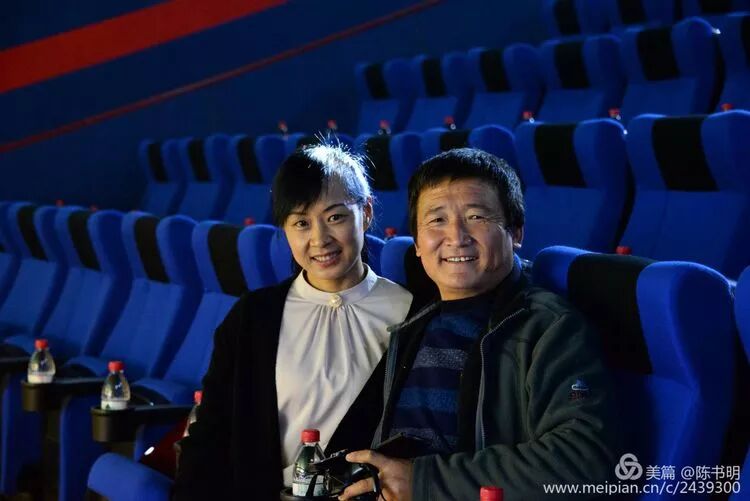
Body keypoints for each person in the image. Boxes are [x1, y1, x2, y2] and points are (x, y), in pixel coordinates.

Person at [341, 148, 620, 500]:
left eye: (476, 217)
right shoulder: (411, 323)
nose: (456, 237)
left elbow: (585, 462)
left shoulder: (549, 328)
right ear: (418, 243)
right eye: (437, 220)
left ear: (516, 232)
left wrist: (424, 482)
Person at [173, 143, 413, 500]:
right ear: (285, 229)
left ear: (365, 213)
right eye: (301, 223)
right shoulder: (253, 317)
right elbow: (210, 432)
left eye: (335, 217)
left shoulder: (410, 314)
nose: (320, 239)